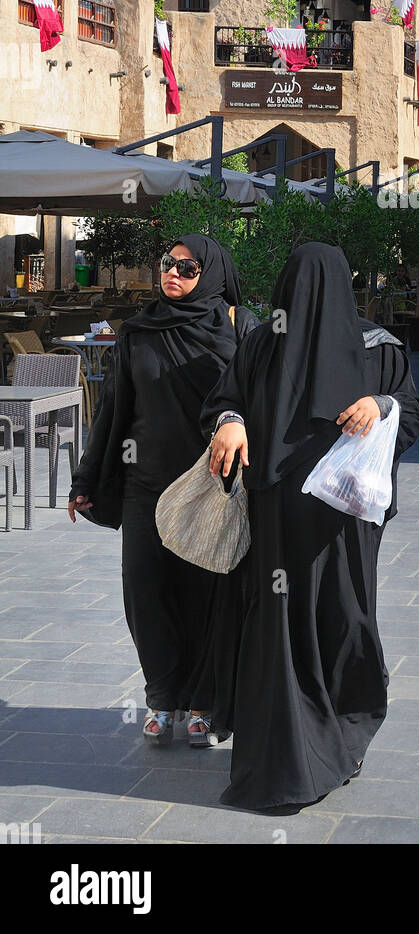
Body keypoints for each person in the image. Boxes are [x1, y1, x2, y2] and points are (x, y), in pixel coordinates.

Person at [200, 243, 419, 811]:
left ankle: (343, 734)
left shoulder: (379, 349)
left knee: (345, 619)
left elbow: (413, 411)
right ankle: (288, 762)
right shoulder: (260, 346)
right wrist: (229, 422)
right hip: (278, 521)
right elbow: (223, 401)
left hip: (346, 522)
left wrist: (380, 405)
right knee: (281, 633)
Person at [67, 235, 258, 746]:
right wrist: (86, 479)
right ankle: (162, 696)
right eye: (165, 264)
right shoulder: (138, 332)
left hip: (212, 484)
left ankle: (204, 700)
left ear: (211, 272)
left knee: (205, 594)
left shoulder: (241, 329)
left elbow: (265, 399)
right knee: (146, 593)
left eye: (187, 267)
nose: (171, 273)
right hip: (145, 483)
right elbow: (114, 407)